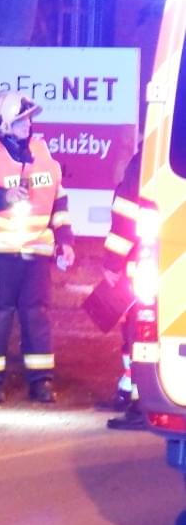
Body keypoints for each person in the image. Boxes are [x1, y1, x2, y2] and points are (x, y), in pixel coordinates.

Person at [0, 90, 76, 404]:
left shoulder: (42, 152)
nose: (28, 125)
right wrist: (2, 197)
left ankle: (41, 383)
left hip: (36, 254)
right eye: (22, 120)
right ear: (5, 123)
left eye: (30, 119)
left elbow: (58, 200)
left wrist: (65, 240)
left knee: (37, 317)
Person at [102, 150, 144, 430]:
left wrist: (112, 263)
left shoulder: (148, 159)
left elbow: (126, 215)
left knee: (139, 333)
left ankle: (139, 404)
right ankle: (129, 391)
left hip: (145, 265)